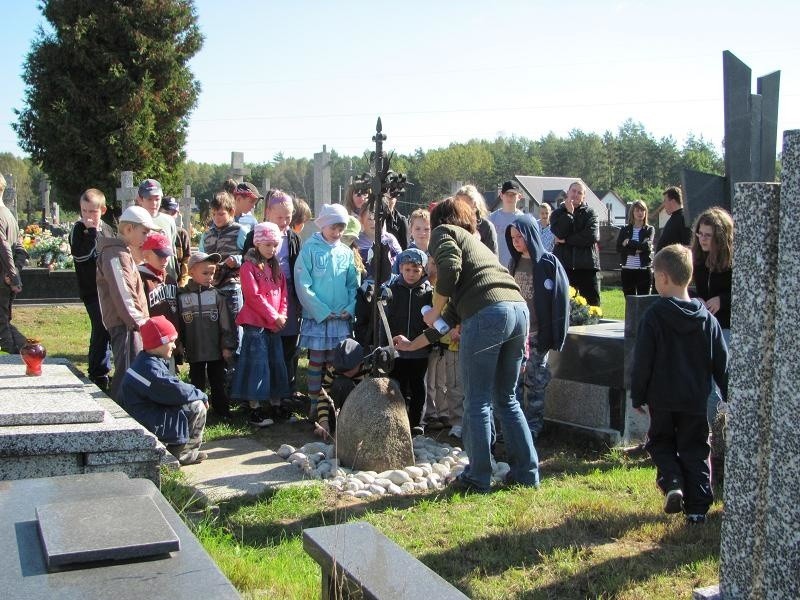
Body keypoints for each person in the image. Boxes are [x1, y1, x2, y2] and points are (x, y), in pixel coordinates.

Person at [394, 197, 538, 493]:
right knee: (506, 398)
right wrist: (411, 345)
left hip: (488, 315)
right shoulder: (477, 248)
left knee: (477, 401)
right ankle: (527, 473)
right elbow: (446, 321)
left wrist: (434, 308)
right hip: (516, 311)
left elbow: (449, 268)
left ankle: (478, 476)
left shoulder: (444, 232)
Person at [631, 244, 728, 524]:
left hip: (662, 398)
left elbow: (643, 361)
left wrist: (638, 395)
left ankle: (672, 483)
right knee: (696, 449)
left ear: (663, 278)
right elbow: (721, 362)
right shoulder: (708, 321)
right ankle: (697, 508)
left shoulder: (654, 316)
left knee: (661, 442)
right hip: (696, 399)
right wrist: (727, 391)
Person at [506, 214, 570, 441]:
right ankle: (515, 427)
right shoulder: (513, 263)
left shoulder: (548, 263)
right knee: (514, 382)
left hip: (536, 335)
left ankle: (533, 426)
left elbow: (560, 300)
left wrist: (553, 335)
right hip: (517, 334)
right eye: (512, 237)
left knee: (535, 382)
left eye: (519, 236)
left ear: (531, 235)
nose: (515, 241)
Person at [294, 204, 359, 419]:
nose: (337, 233)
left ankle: (332, 404)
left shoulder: (346, 252)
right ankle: (314, 402)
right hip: (318, 318)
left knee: (335, 362)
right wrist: (320, 310)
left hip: (340, 318)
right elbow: (303, 284)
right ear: (322, 225)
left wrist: (350, 308)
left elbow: (352, 284)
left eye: (341, 228)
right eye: (333, 227)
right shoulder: (310, 250)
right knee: (316, 360)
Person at [118, 315, 209, 466]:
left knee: (189, 402)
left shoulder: (146, 362)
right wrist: (202, 395)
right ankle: (184, 453)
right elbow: (176, 391)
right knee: (197, 406)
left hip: (145, 413)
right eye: (171, 341)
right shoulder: (151, 370)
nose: (174, 346)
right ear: (158, 343)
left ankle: (177, 447)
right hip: (146, 420)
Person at [243, 191, 304, 399]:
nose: (285, 222)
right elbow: (249, 272)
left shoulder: (293, 237)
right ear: (268, 212)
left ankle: (286, 388)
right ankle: (261, 394)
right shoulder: (255, 236)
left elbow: (297, 267)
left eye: (288, 217)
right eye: (280, 217)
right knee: (264, 347)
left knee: (287, 346)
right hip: (262, 299)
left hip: (285, 297)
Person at [97, 205, 160, 400]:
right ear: (128, 229)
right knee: (128, 372)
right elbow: (123, 293)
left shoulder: (122, 253)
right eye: (144, 231)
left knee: (132, 371)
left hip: (131, 324)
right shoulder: (116, 255)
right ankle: (120, 416)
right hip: (126, 325)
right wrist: (140, 323)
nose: (147, 237)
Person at [231, 222, 290, 427]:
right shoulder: (248, 267)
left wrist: (281, 315)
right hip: (256, 324)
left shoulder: (277, 268)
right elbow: (254, 297)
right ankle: (254, 407)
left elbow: (283, 294)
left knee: (275, 364)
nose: (271, 249)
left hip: (273, 325)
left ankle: (275, 403)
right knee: (257, 366)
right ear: (257, 244)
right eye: (267, 245)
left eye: (275, 245)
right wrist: (274, 317)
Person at [691, 206, 733, 482]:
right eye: (700, 234)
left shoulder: (732, 261)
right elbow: (692, 288)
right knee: (706, 392)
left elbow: (746, 289)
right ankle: (712, 454)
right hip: (706, 329)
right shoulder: (698, 258)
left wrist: (722, 299)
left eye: (709, 235)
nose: (703, 239)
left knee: (716, 394)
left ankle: (718, 454)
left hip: (728, 330)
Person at [178, 252, 237, 418]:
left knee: (218, 380)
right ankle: (197, 411)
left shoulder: (217, 296)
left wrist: (226, 346)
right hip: (194, 347)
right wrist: (180, 343)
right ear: (191, 273)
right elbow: (179, 323)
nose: (210, 277)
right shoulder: (182, 296)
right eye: (205, 273)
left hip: (215, 349)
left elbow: (226, 323)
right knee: (196, 381)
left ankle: (222, 410)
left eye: (212, 273)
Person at [69, 188, 114, 390]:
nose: (87, 216)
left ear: (102, 210)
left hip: (108, 288)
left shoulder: (107, 229)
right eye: (84, 211)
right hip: (91, 290)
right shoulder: (79, 230)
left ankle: (107, 367)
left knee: (110, 328)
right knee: (100, 327)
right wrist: (92, 233)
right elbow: (81, 255)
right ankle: (97, 372)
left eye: (92, 212)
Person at [386, 248, 433, 435]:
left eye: (416, 270)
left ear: (423, 270)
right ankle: (396, 419)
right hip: (397, 349)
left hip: (419, 349)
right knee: (396, 386)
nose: (411, 274)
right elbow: (386, 318)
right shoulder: (392, 290)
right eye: (407, 270)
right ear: (400, 268)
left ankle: (416, 422)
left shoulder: (428, 292)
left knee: (417, 387)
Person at [200, 191, 246, 329]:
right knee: (215, 327)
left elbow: (251, 254)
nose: (216, 218)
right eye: (213, 214)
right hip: (211, 285)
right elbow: (201, 257)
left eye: (221, 214)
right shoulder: (207, 235)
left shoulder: (240, 231)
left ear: (231, 212)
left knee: (233, 326)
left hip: (232, 285)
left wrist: (237, 259)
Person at [550, 181, 601, 306]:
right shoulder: (557, 213)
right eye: (573, 191)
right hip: (564, 267)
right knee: (562, 305)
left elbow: (591, 236)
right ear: (568, 193)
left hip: (587, 267)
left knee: (592, 306)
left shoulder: (591, 213)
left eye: (580, 193)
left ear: (584, 197)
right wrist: (569, 213)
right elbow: (560, 233)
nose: (576, 194)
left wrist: (567, 240)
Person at [138, 232, 181, 369]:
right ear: (146, 254)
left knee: (169, 373)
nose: (164, 260)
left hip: (170, 340)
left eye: (167, 256)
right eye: (160, 256)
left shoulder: (170, 279)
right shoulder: (141, 278)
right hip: (151, 341)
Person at [315, 337, 368, 438]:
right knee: (341, 383)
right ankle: (332, 425)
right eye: (342, 369)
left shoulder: (368, 370)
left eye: (349, 369)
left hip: (360, 409)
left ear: (360, 362)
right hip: (337, 407)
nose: (345, 372)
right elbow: (323, 396)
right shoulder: (333, 370)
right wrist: (323, 422)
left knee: (347, 384)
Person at [0, 173, 27, 354]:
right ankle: (29, 349)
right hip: (7, 279)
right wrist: (15, 273)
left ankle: (20, 357)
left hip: (2, 278)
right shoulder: (8, 214)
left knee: (1, 326)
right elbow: (20, 248)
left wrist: (13, 275)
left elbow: (5, 248)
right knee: (3, 322)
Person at [136, 179, 177, 280]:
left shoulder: (169, 220)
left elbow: (172, 248)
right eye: (149, 199)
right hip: (145, 278)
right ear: (140, 199)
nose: (154, 203)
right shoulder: (134, 221)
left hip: (168, 278)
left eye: (157, 199)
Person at [356, 198, 402, 282]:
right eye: (370, 219)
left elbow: (400, 260)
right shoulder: (357, 241)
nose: (374, 223)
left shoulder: (390, 239)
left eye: (377, 218)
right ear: (362, 219)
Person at [617, 199, 655, 296]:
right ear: (632, 212)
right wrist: (635, 251)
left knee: (643, 302)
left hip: (643, 271)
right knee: (630, 302)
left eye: (642, 210)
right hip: (627, 271)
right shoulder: (625, 229)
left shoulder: (649, 229)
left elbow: (646, 247)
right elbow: (619, 248)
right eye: (637, 210)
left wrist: (629, 242)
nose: (640, 213)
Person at [455, 184, 498, 256]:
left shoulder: (486, 226)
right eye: (458, 204)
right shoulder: (453, 224)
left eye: (465, 204)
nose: (461, 208)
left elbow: (493, 258)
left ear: (475, 204)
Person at [488, 181, 522, 264]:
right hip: (495, 267)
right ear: (501, 195)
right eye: (507, 194)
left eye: (513, 194)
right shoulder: (491, 218)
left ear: (519, 196)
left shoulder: (523, 220)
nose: (510, 197)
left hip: (516, 267)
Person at [160, 196, 190, 287]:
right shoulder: (154, 232)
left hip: (177, 283)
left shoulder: (182, 234)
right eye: (166, 212)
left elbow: (186, 261)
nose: (170, 216)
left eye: (173, 213)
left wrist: (183, 283)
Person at [656, 186, 692, 251]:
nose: (664, 204)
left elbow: (688, 246)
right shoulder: (674, 217)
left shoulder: (684, 218)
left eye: (665, 201)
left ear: (672, 201)